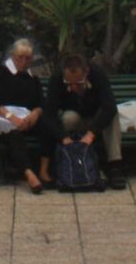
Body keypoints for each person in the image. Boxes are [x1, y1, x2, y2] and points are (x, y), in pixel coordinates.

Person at [45, 51, 127, 189]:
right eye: (69, 83)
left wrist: (91, 133)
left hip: (95, 119)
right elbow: (49, 114)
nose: (73, 87)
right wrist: (63, 137)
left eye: (78, 82)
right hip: (75, 117)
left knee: (112, 117)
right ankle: (71, 160)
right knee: (68, 118)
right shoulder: (56, 79)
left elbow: (109, 106)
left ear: (86, 72)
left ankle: (115, 166)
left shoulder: (97, 74)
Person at [0, 38, 56, 194]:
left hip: (26, 117)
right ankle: (29, 173)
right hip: (2, 117)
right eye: (20, 57)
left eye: (27, 58)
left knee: (48, 125)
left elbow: (41, 102)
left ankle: (44, 171)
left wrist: (35, 113)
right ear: (13, 56)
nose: (24, 61)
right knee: (14, 134)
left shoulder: (32, 78)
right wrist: (11, 117)